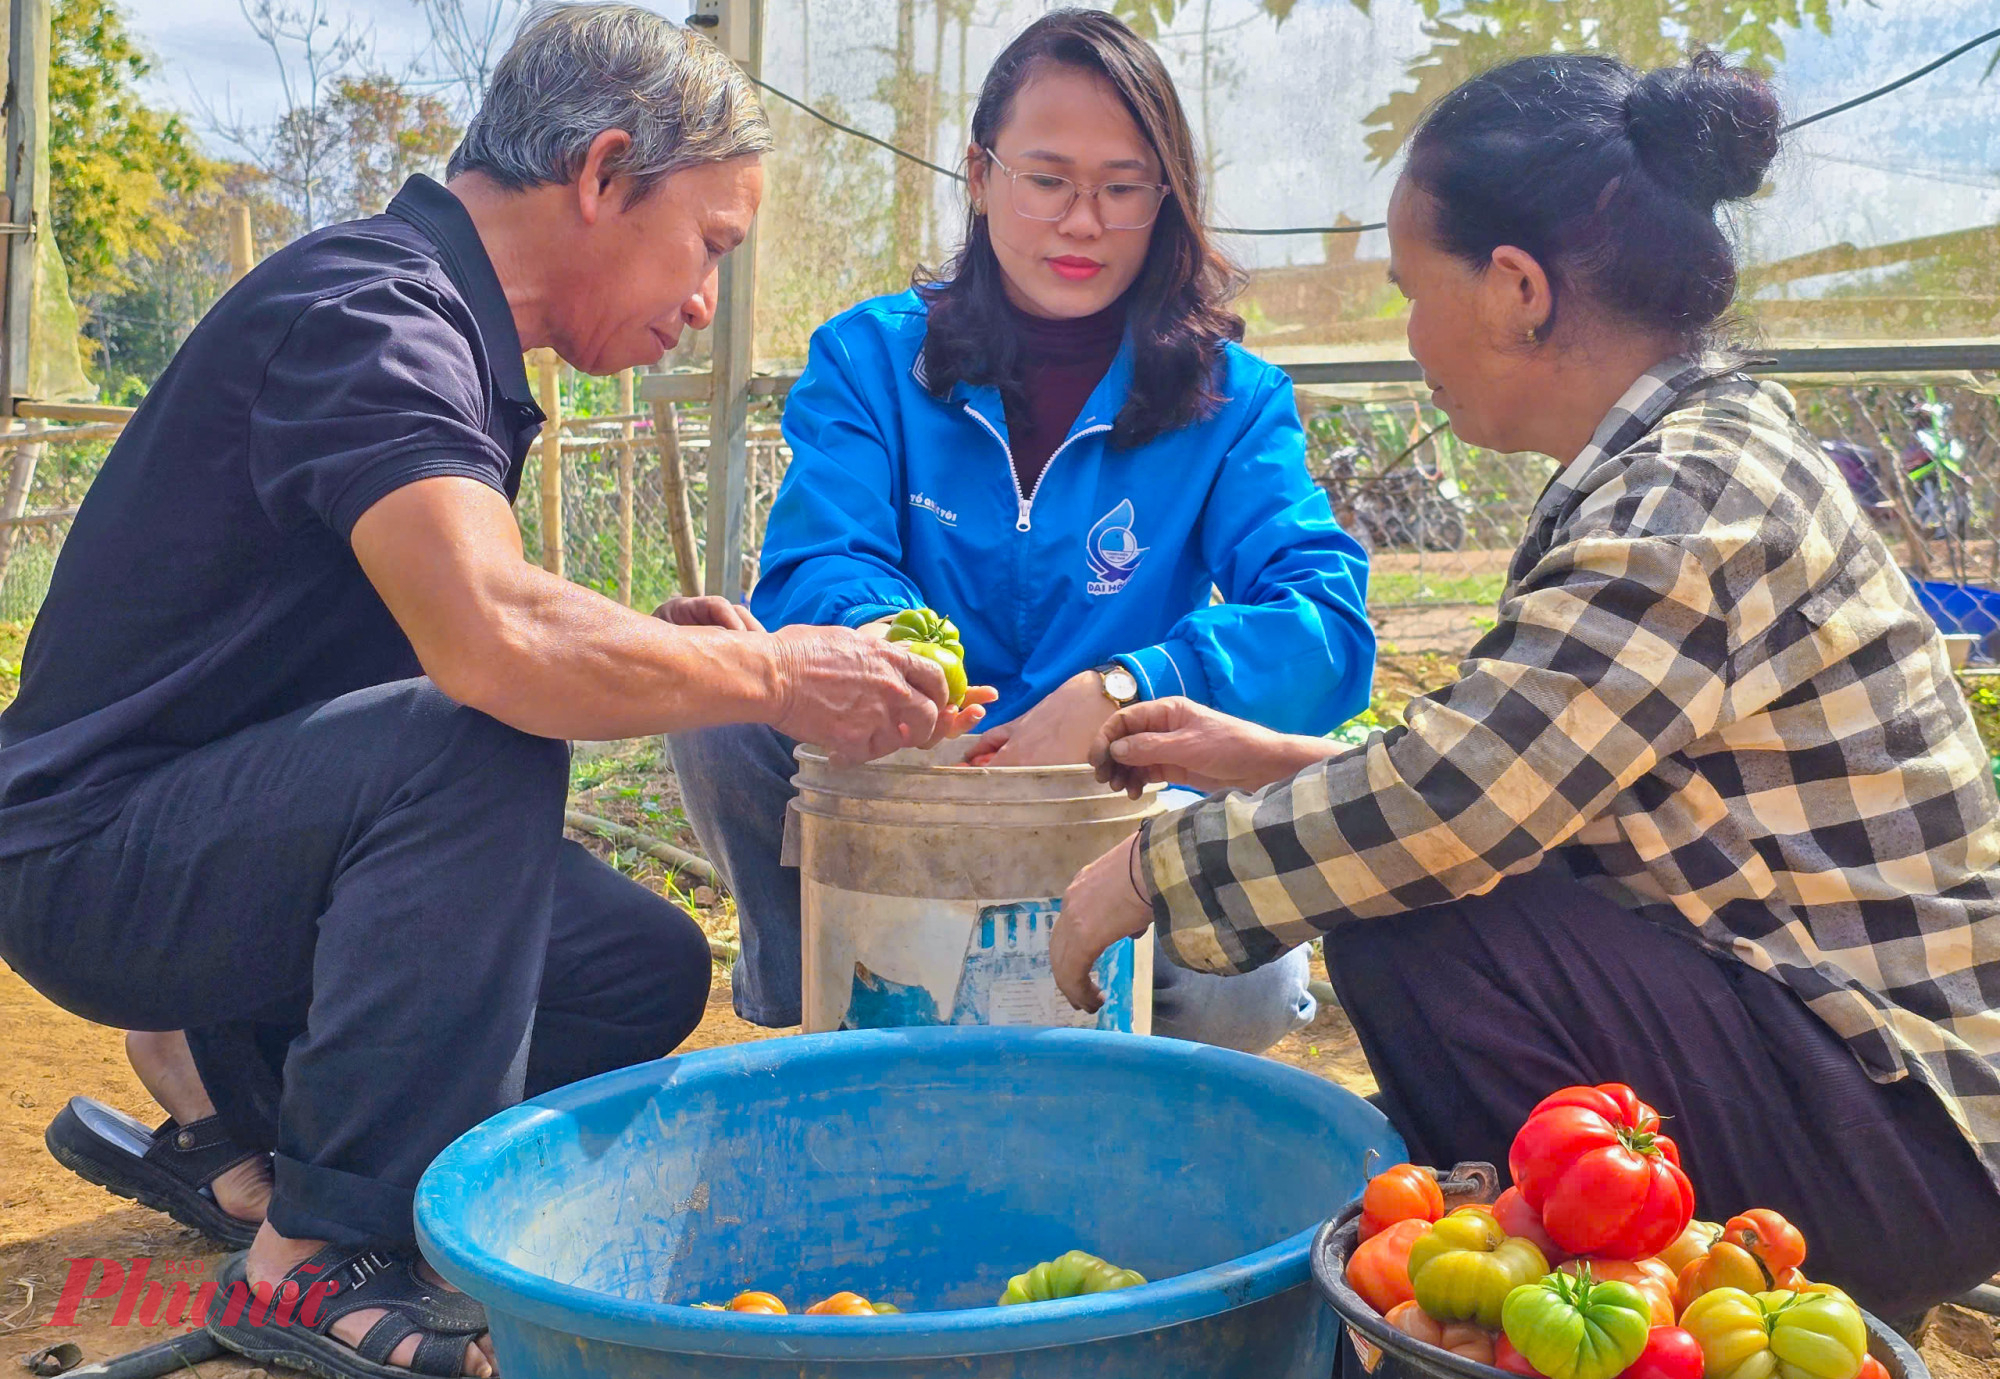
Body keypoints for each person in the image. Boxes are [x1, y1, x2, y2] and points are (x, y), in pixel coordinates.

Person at [0, 7, 979, 1377]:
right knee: (478, 741)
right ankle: (312, 1256)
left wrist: (665, 646)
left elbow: (454, 621)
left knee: (636, 971)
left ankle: (255, 1133)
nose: (705, 301)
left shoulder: (440, 330)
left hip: (229, 837)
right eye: (708, 244)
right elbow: (493, 644)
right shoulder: (370, 313)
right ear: (602, 172)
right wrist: (771, 672)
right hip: (100, 859)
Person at [1050, 49, 2000, 1322]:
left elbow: (1461, 808)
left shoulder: (1685, 498)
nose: (1405, 334)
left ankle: (1609, 1307)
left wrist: (1143, 874)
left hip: (1895, 1132)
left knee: (1412, 913)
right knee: (1408, 868)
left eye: (1408, 289)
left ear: (1512, 289)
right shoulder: (1688, 456)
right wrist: (1275, 758)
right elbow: (1565, 789)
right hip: (1855, 1090)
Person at [669, 8, 1373, 1052]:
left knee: (1243, 997)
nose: (1081, 222)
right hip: (905, 774)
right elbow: (822, 562)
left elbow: (1323, 624)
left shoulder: (1231, 401)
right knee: (719, 688)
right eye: (1046, 179)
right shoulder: (871, 359)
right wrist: (918, 672)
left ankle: (1105, 1034)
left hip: (1114, 805)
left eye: (1123, 187)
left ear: (1166, 199)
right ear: (979, 173)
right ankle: (818, 1018)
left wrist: (1127, 685)